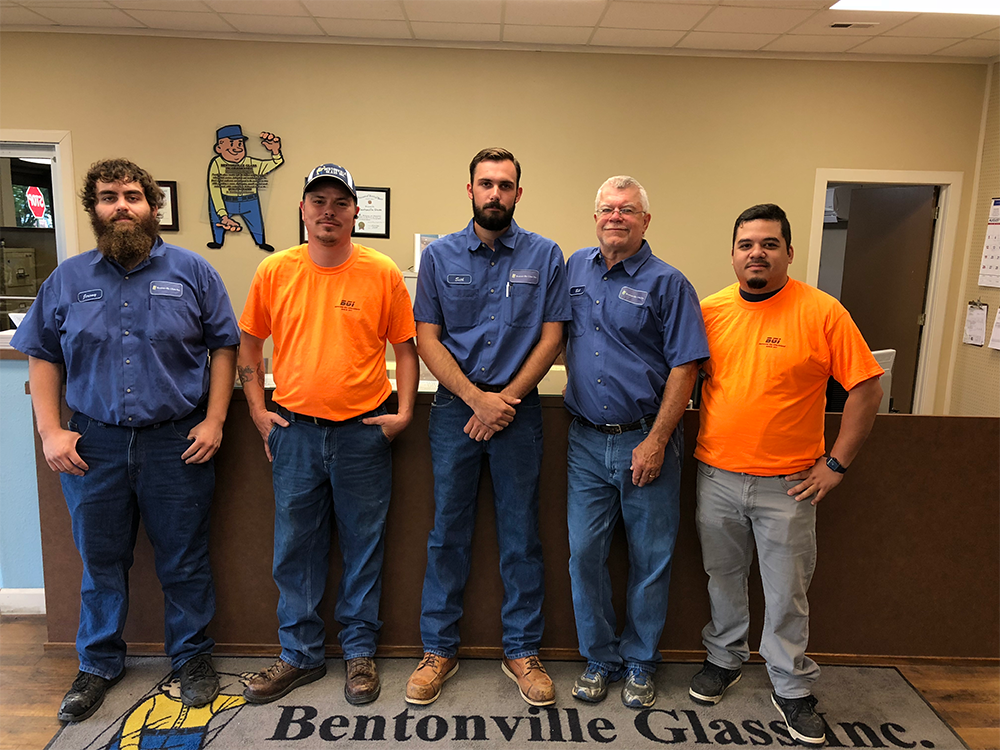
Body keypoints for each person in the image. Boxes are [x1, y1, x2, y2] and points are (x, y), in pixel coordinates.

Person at [12, 158, 240, 722]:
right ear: (94, 208)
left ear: (153, 207)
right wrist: (49, 430)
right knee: (101, 561)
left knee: (184, 559)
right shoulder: (67, 279)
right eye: (109, 196)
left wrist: (214, 421)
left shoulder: (194, 271)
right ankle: (97, 665)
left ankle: (190, 658)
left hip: (176, 442)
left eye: (133, 196)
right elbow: (42, 356)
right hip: (95, 444)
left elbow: (224, 348)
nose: (122, 206)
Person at [691, 204, 884, 744]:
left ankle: (790, 684)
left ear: (789, 253)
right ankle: (724, 658)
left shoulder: (823, 312)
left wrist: (836, 464)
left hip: (791, 484)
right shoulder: (709, 311)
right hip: (717, 477)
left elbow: (867, 388)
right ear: (733, 253)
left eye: (769, 244)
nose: (757, 253)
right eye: (747, 244)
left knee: (786, 592)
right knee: (723, 579)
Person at [238, 163, 418, 706]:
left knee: (363, 546)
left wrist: (404, 411)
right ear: (302, 209)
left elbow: (405, 349)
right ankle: (299, 655)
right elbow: (248, 344)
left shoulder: (381, 271)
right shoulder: (275, 271)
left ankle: (359, 654)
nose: (328, 212)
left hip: (363, 434)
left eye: (340, 203)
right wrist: (256, 409)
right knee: (295, 547)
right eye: (318, 201)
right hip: (294, 432)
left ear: (355, 212)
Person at [407, 147, 570, 707]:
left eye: (505, 185)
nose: (495, 193)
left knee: (521, 536)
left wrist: (506, 400)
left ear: (519, 194)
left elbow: (552, 338)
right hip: (456, 411)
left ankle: (522, 651)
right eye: (486, 184)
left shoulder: (547, 255)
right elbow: (426, 337)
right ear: (470, 190)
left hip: (519, 416)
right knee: (446, 532)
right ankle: (438, 651)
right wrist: (477, 399)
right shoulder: (439, 256)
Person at [563, 176, 709, 709]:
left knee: (650, 558)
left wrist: (655, 440)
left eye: (627, 210)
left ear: (646, 220)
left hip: (646, 440)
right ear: (595, 217)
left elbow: (686, 366)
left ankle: (642, 661)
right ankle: (600, 658)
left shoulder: (669, 283)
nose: (615, 217)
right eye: (607, 209)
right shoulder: (573, 269)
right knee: (584, 555)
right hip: (583, 442)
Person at [206, 124, 283, 253]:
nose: (236, 148)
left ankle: (261, 242)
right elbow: (214, 190)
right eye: (231, 143)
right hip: (226, 200)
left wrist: (275, 151)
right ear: (219, 148)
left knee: (257, 225)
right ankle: (217, 241)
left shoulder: (251, 163)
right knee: (216, 217)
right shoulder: (217, 164)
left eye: (240, 143)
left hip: (249, 201)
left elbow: (275, 163)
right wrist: (223, 215)